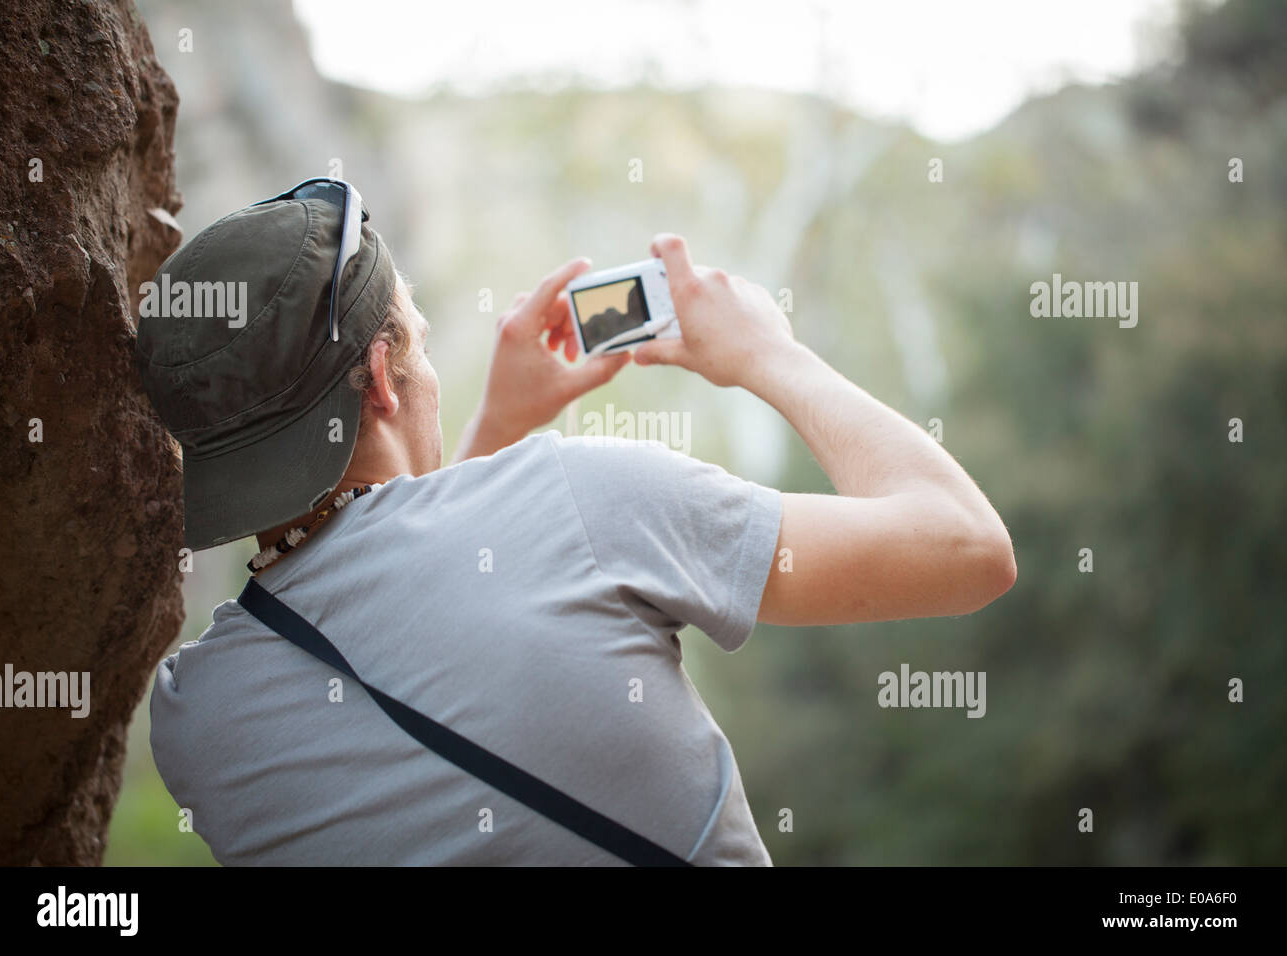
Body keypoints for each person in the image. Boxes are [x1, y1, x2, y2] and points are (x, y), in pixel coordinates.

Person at [136, 179, 1015, 866]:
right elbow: (966, 548)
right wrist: (766, 355)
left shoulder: (196, 725)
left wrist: (497, 430)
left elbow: (398, 599)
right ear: (383, 377)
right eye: (424, 341)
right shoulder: (579, 499)